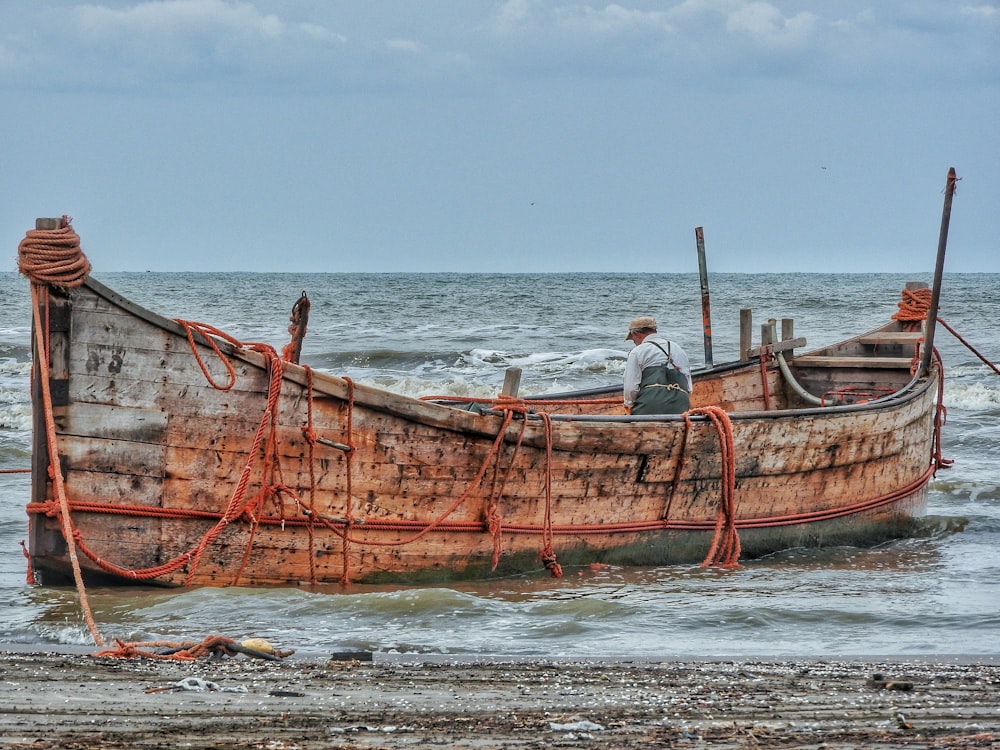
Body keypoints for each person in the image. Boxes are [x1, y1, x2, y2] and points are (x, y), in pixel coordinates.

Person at [623, 316, 693, 415]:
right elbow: (689, 388)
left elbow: (631, 389)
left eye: (633, 339)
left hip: (650, 408)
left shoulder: (637, 352)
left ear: (636, 334)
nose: (634, 343)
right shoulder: (678, 349)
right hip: (681, 407)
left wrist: (629, 407)